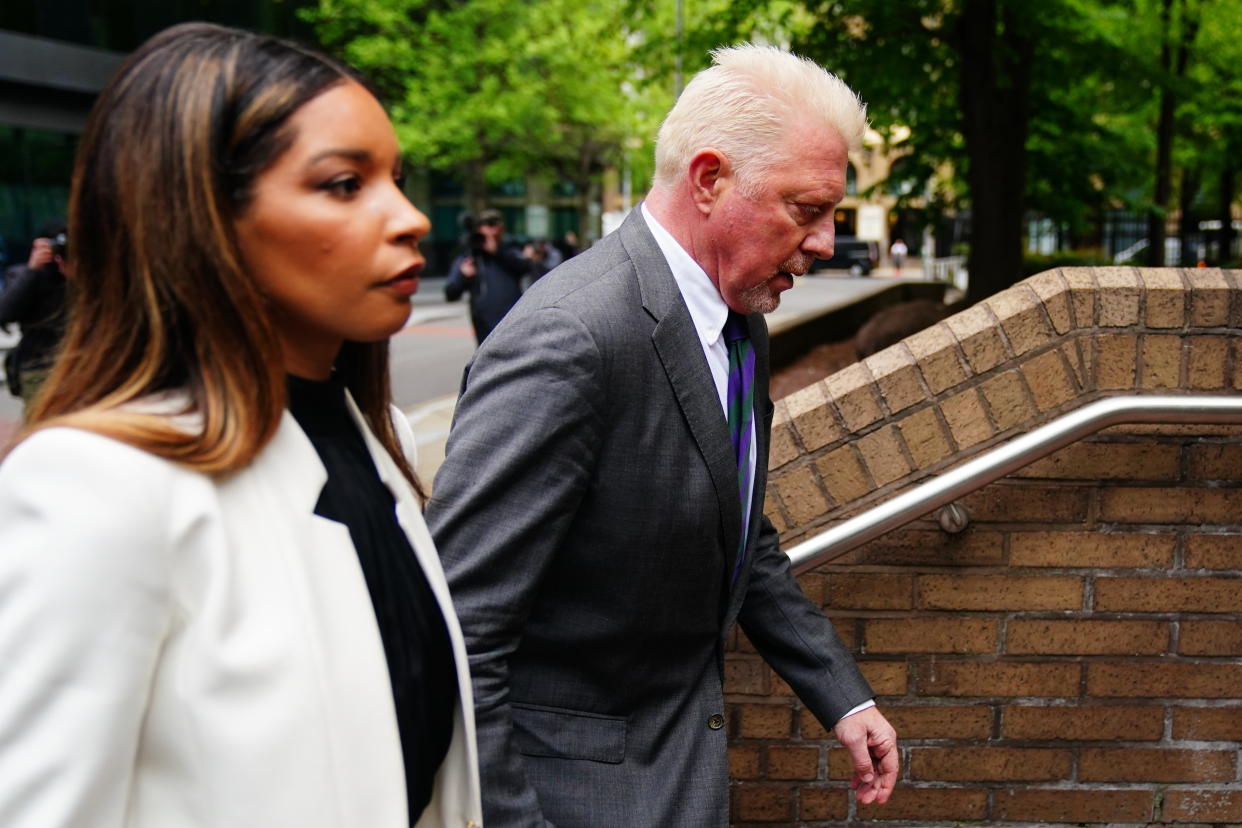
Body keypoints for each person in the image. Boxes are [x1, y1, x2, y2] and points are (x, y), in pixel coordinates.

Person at [0, 23, 481, 828]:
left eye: (396, 178)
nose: (411, 218)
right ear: (203, 217)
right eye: (342, 184)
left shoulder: (379, 439)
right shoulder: (96, 487)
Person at [427, 44, 898, 827]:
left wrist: (842, 697)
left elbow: (736, 527)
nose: (824, 243)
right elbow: (457, 639)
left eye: (832, 216)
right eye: (806, 209)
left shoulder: (741, 317)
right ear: (709, 180)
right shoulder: (571, 339)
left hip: (682, 781)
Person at [444, 208, 545, 344]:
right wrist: (464, 275)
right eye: (489, 225)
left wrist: (496, 252)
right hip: (485, 331)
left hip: (514, 325)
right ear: (479, 229)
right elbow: (451, 293)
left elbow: (526, 267)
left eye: (497, 225)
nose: (494, 230)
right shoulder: (469, 257)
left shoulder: (509, 252)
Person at [0, 221, 70, 405]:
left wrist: (77, 277)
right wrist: (33, 269)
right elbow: (5, 312)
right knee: (41, 427)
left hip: (79, 365)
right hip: (38, 366)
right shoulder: (23, 274)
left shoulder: (85, 277)